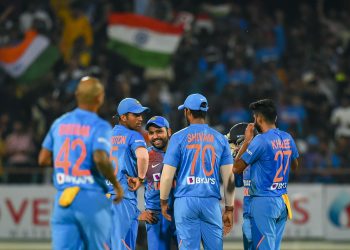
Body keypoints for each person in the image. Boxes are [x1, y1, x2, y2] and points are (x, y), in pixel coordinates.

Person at [38, 76, 123, 250]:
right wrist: (116, 185)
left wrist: (68, 166)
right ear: (100, 97)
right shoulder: (100, 126)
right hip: (91, 198)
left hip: (64, 200)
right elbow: (100, 158)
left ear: (77, 95)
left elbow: (43, 159)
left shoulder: (59, 123)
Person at [160, 93, 235, 250]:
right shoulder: (220, 139)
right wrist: (229, 208)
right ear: (205, 112)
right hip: (211, 202)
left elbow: (167, 177)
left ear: (187, 112)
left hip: (185, 202)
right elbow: (229, 178)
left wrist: (163, 201)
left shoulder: (177, 137)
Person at [233, 99, 299, 250]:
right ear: (275, 118)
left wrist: (247, 141)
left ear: (259, 118)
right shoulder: (287, 137)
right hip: (282, 200)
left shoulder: (260, 141)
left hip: (264, 201)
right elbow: (294, 165)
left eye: (254, 117)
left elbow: (236, 168)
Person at [107, 97, 150, 250]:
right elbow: (143, 156)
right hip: (123, 198)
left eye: (141, 115)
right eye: (136, 115)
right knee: (122, 245)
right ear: (123, 117)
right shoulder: (134, 136)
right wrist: (140, 178)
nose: (140, 118)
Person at [140, 116, 177, 250]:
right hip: (155, 217)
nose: (155, 136)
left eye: (159, 131)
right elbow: (125, 183)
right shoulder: (144, 155)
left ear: (169, 131)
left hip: (179, 213)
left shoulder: (181, 152)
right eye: (151, 133)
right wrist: (136, 213)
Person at [226, 122, 258, 250]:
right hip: (249, 212)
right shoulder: (245, 162)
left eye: (234, 144)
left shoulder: (258, 158)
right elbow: (238, 182)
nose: (231, 147)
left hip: (260, 211)